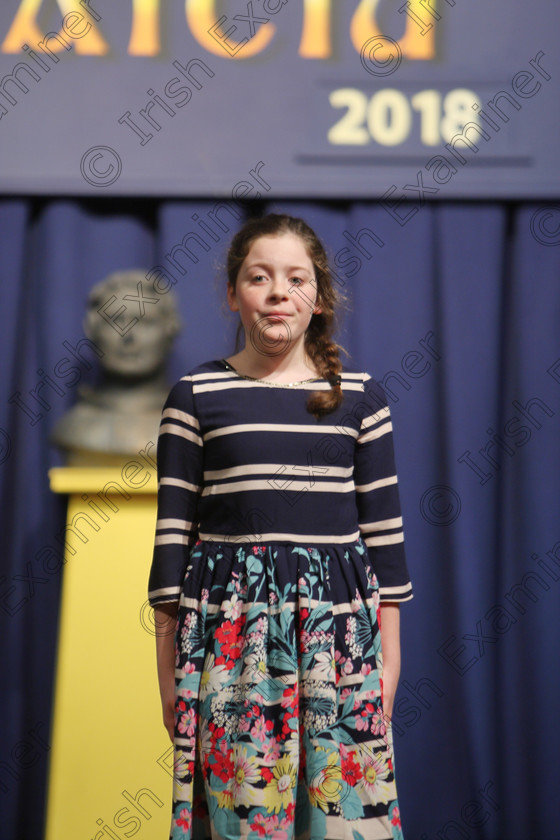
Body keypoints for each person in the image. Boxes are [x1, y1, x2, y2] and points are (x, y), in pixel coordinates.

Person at [148, 214, 413, 840]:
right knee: (245, 815)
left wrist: (389, 666)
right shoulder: (196, 395)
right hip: (232, 644)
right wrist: (167, 680)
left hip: (339, 642)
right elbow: (170, 550)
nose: (277, 292)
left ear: (318, 299)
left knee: (345, 820)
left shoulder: (361, 398)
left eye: (296, 279)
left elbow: (387, 547)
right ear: (233, 293)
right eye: (258, 277)